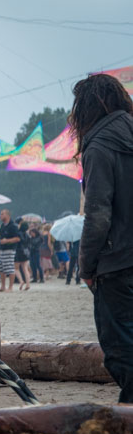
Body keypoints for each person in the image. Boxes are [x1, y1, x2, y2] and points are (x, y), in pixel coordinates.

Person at [69, 73, 133, 403]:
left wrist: (86, 267)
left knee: (121, 348)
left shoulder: (99, 146)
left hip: (117, 262)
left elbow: (97, 215)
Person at [0, 210, 20, 292]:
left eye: (2, 214)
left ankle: (10, 287)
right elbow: (1, 235)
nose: (0, 215)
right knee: (1, 268)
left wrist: (6, 241)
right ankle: (3, 286)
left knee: (10, 268)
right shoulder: (3, 225)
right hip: (2, 249)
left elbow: (17, 238)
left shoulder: (13, 226)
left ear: (7, 215)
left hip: (10, 249)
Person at [14, 221, 32, 291]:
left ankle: (21, 281)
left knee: (16, 268)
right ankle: (28, 284)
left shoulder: (18, 233)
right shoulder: (27, 234)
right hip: (25, 252)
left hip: (18, 251)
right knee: (25, 269)